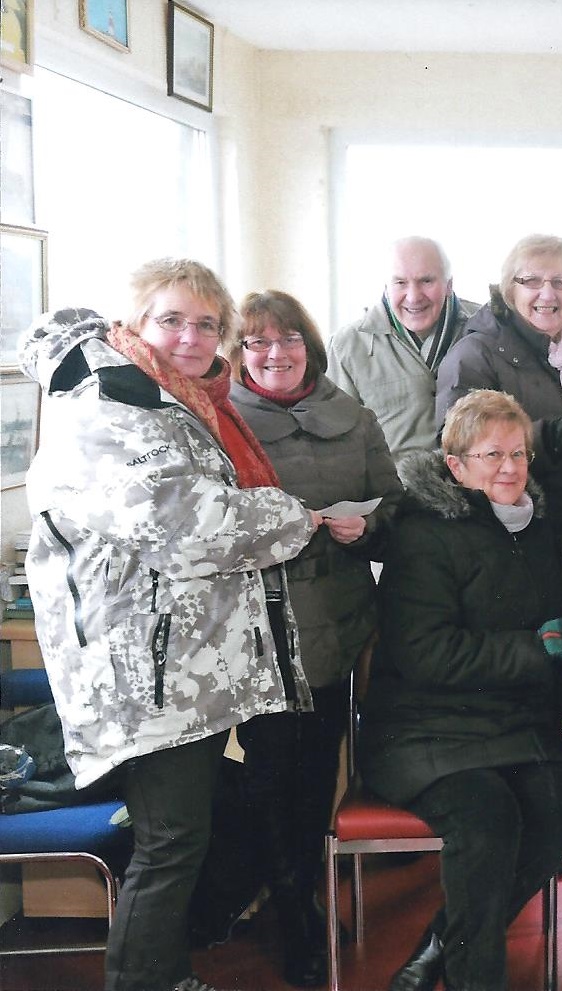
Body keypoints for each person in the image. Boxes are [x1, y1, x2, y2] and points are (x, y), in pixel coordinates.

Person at [18, 259, 320, 991]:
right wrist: (295, 516)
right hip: (144, 673)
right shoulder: (109, 401)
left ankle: (167, 969)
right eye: (172, 319)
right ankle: (146, 978)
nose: (191, 337)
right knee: (172, 842)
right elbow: (186, 528)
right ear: (136, 323)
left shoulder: (173, 398)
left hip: (183, 668)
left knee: (201, 829)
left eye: (208, 324)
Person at [358, 390, 562, 991]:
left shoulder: (539, 529)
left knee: (560, 805)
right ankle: (475, 978)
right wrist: (535, 650)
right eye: (491, 455)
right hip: (425, 729)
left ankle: (437, 947)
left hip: (514, 725)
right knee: (487, 823)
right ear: (455, 466)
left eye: (519, 453)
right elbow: (425, 653)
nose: (509, 468)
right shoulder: (423, 534)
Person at [228, 290, 402, 987]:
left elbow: (392, 501)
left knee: (314, 775)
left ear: (311, 345)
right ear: (239, 353)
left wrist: (373, 527)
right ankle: (293, 911)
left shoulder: (351, 416)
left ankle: (303, 894)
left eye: (289, 338)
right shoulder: (216, 422)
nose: (275, 353)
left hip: (335, 624)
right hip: (256, 632)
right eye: (257, 342)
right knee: (270, 776)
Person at [436, 233, 562, 542]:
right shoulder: (475, 355)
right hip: (518, 535)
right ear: (510, 290)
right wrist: (552, 437)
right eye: (531, 281)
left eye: (561, 282)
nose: (547, 294)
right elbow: (458, 451)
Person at [327, 236, 481, 459]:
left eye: (426, 281)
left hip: (477, 486)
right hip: (394, 489)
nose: (413, 296)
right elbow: (340, 441)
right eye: (400, 283)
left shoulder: (484, 329)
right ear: (386, 286)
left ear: (449, 285)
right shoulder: (347, 346)